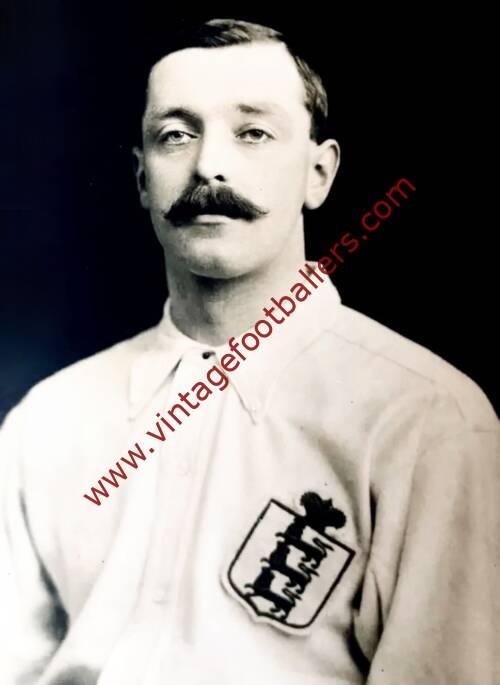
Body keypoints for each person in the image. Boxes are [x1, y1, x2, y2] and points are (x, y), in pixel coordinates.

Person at [0, 17, 498, 685]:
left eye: (253, 133)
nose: (210, 165)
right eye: (176, 135)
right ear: (142, 178)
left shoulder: (425, 421)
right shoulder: (48, 418)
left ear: (318, 174)